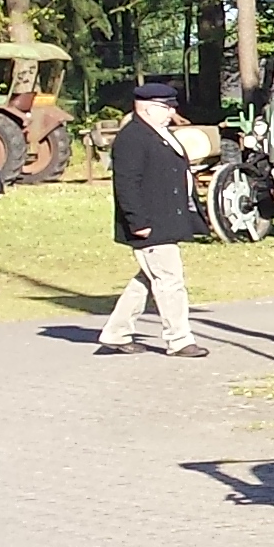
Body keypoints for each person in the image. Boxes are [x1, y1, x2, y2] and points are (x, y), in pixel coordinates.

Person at [98, 83, 207, 359]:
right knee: (169, 280)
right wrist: (137, 221)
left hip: (167, 219)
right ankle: (179, 339)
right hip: (149, 223)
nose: (172, 112)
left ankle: (116, 332)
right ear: (147, 107)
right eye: (166, 107)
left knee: (148, 279)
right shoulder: (132, 138)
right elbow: (126, 185)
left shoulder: (160, 133)